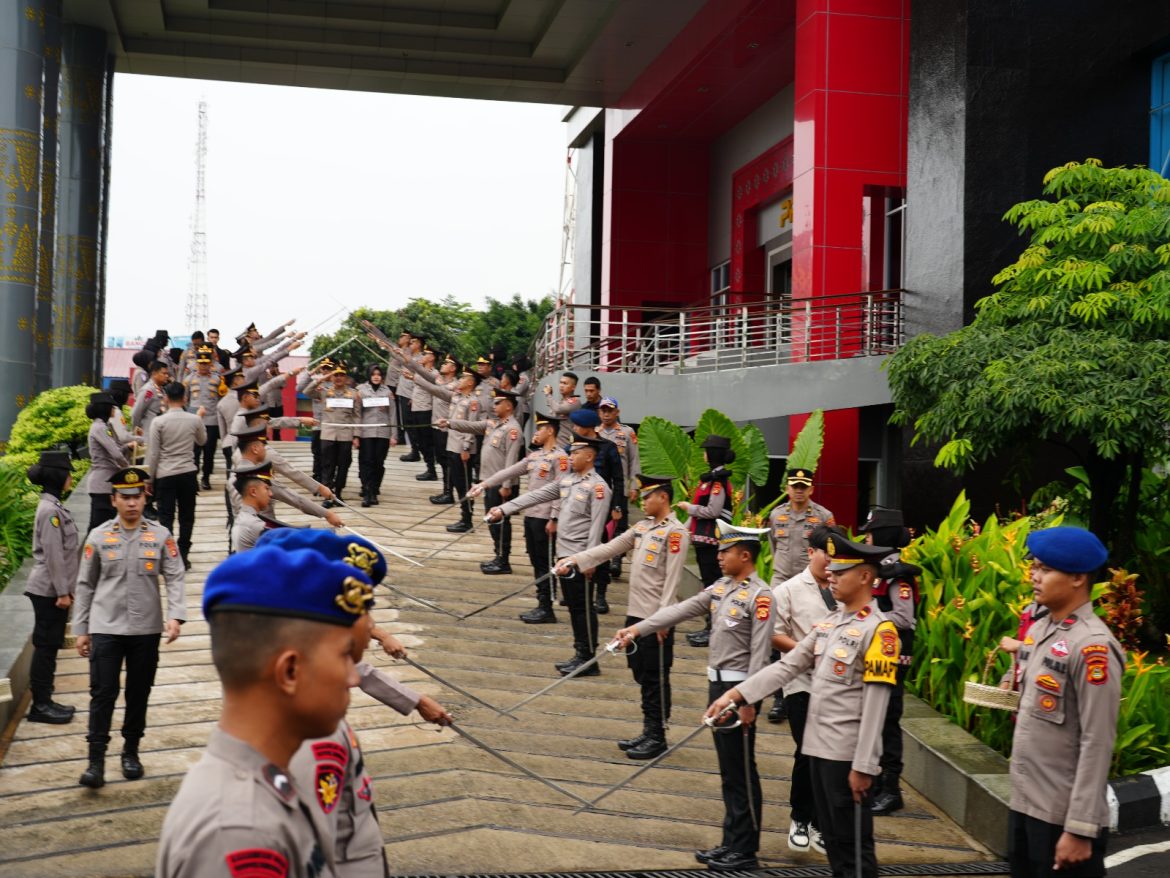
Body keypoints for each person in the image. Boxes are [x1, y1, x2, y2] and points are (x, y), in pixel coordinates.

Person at [156, 533, 375, 877]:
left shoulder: (263, 793)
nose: (354, 677)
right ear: (289, 671)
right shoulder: (240, 833)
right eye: (345, 656)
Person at [705, 533, 897, 878]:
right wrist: (735, 695)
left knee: (853, 849)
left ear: (865, 577)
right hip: (817, 752)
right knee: (836, 847)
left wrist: (865, 765)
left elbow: (876, 706)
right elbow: (786, 667)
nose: (831, 577)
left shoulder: (879, 632)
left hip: (846, 758)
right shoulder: (830, 624)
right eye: (832, 571)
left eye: (840, 573)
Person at [615, 520, 774, 872]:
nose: (719, 556)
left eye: (726, 551)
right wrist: (636, 629)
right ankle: (731, 841)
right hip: (718, 688)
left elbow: (761, 657)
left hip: (738, 693)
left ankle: (745, 849)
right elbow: (679, 610)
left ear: (745, 555)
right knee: (728, 770)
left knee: (741, 770)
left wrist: (749, 703)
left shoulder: (760, 597)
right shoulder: (721, 588)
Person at [1008, 526, 1123, 878]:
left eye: (1045, 569)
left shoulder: (1093, 647)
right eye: (1034, 567)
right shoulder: (1041, 629)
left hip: (1061, 817)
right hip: (1026, 805)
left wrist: (1079, 828)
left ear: (1077, 577)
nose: (1034, 575)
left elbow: (1097, 741)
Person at [562, 475, 689, 759]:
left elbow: (673, 578)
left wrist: (665, 619)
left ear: (663, 498)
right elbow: (611, 548)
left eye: (648, 496)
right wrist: (575, 560)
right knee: (639, 671)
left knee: (655, 677)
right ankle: (648, 729)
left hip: (655, 618)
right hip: (635, 614)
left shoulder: (676, 532)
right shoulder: (643, 528)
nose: (642, 501)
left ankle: (657, 735)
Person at [75, 466, 186, 788]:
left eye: (137, 496)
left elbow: (175, 575)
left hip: (145, 629)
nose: (132, 503)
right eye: (125, 497)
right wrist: (82, 628)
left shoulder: (161, 535)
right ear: (114, 500)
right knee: (103, 693)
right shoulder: (98, 537)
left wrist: (176, 615)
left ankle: (130, 752)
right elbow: (85, 584)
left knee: (139, 694)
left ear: (144, 496)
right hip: (106, 628)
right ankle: (95, 761)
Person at [490, 436, 610, 674]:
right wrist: (504, 509)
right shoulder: (568, 481)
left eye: (575, 453)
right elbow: (536, 495)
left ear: (589, 456)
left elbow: (597, 527)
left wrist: (590, 561)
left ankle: (587, 659)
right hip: (563, 554)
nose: (571, 457)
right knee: (574, 607)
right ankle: (580, 652)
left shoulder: (598, 487)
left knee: (582, 608)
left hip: (579, 557)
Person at [770, 524, 847, 854]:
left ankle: (818, 823)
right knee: (808, 750)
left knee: (829, 756)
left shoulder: (845, 588)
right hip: (801, 683)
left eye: (836, 555)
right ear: (810, 552)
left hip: (837, 687)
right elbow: (774, 634)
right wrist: (808, 653)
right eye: (824, 554)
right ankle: (800, 818)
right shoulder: (787, 590)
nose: (830, 562)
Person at [470, 412, 567, 623]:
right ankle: (542, 603)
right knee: (535, 559)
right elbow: (508, 472)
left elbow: (562, 489)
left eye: (540, 429)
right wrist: (484, 484)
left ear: (550, 431)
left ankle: (547, 607)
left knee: (544, 561)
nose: (537, 433)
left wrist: (555, 518)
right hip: (531, 514)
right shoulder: (535, 456)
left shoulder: (560, 458)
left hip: (545, 518)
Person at [858, 506, 920, 814]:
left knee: (888, 720)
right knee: (876, 719)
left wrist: (868, 619)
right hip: (877, 655)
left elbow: (904, 618)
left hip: (894, 657)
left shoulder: (899, 576)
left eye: (869, 534)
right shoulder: (880, 570)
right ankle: (879, 783)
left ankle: (892, 788)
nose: (866, 539)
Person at [764, 468, 837, 722]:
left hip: (814, 583)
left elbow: (832, 547)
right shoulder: (776, 515)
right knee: (776, 638)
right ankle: (780, 698)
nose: (798, 490)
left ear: (811, 489)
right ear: (787, 488)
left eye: (803, 486)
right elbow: (774, 545)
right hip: (783, 580)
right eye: (794, 485)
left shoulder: (823, 517)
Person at [24, 451, 80, 725]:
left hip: (53, 588)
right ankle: (40, 705)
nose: (72, 476)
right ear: (59, 476)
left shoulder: (54, 506)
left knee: (49, 646)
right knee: (45, 646)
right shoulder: (50, 512)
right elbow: (54, 555)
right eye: (68, 472)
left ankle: (46, 700)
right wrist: (62, 592)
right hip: (48, 590)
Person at [443, 389, 524, 574]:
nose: (494, 405)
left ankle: (504, 561)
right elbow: (470, 426)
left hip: (501, 484)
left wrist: (506, 486)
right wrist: (449, 423)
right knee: (492, 521)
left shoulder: (513, 429)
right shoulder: (493, 424)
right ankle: (498, 555)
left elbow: (512, 460)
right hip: (489, 481)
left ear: (509, 406)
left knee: (500, 523)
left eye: (498, 402)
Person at [565, 408, 625, 614]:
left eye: (577, 425)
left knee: (600, 549)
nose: (574, 429)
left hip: (601, 505)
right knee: (574, 544)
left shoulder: (608, 448)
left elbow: (618, 479)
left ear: (587, 428)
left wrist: (617, 506)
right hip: (577, 506)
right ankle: (576, 589)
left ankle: (600, 593)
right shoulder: (572, 447)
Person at [679, 434, 735, 648]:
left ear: (711, 454)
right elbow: (697, 516)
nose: (703, 454)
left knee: (714, 585)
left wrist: (688, 507)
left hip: (714, 540)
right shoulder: (710, 480)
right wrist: (683, 529)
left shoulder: (718, 482)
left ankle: (714, 630)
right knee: (708, 584)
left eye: (705, 451)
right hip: (703, 540)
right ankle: (709, 627)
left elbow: (713, 510)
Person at [147, 382, 208, 570]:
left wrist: (149, 479)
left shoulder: (158, 422)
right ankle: (184, 555)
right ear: (184, 399)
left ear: (165, 398)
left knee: (165, 517)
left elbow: (154, 453)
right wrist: (199, 418)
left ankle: (168, 556)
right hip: (188, 472)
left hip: (165, 474)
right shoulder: (194, 420)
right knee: (187, 516)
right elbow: (202, 440)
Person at [597, 396, 640, 579]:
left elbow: (634, 460)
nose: (606, 414)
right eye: (603, 410)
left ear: (617, 412)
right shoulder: (595, 432)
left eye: (610, 410)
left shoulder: (626, 432)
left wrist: (634, 486)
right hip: (599, 488)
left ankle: (616, 559)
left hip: (619, 487)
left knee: (619, 524)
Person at [308, 361, 362, 506]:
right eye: (335, 375)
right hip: (328, 434)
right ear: (332, 376)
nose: (338, 378)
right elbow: (306, 391)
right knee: (327, 465)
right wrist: (321, 379)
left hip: (345, 434)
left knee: (343, 465)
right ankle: (328, 495)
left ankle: (338, 492)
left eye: (341, 375)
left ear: (346, 377)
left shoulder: (353, 394)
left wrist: (356, 436)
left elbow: (357, 416)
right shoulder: (325, 391)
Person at [86, 392, 136, 532]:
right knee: (98, 528)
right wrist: (128, 469)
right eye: (112, 407)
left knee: (107, 528)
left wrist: (127, 447)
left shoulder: (105, 426)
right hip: (102, 484)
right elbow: (116, 455)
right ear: (105, 409)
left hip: (108, 483)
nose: (115, 410)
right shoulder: (99, 428)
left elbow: (117, 449)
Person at [354, 364, 397, 507]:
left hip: (383, 432)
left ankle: (374, 490)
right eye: (373, 374)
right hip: (366, 432)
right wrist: (356, 435)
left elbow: (392, 414)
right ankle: (366, 492)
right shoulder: (361, 390)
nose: (376, 377)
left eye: (379, 374)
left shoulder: (388, 392)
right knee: (366, 462)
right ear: (369, 376)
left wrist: (394, 435)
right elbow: (357, 413)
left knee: (379, 462)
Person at [183, 346, 225, 490]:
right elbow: (185, 401)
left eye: (206, 363)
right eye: (200, 363)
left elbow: (222, 400)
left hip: (211, 421)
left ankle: (206, 478)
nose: (203, 366)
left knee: (209, 452)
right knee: (194, 452)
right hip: (194, 421)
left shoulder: (218, 380)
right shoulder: (188, 380)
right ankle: (193, 479)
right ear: (196, 363)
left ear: (210, 363)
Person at [230, 459, 278, 552]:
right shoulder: (255, 526)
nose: (271, 494)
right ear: (253, 492)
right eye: (266, 488)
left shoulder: (243, 517)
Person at [130, 360, 170, 435]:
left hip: (159, 431)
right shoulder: (148, 391)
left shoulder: (161, 390)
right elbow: (137, 412)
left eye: (167, 374)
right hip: (148, 432)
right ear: (154, 373)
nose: (167, 376)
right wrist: (135, 431)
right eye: (164, 373)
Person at [541, 371, 582, 446]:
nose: (561, 386)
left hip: (565, 444)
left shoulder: (575, 401)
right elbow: (553, 412)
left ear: (573, 387)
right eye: (561, 382)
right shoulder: (562, 401)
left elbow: (558, 409)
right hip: (555, 443)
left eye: (565, 383)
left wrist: (548, 395)